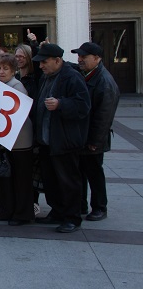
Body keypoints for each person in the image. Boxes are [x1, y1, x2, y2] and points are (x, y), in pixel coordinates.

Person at [32, 43, 91, 233]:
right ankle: (57, 211)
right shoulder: (46, 77)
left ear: (57, 61)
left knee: (68, 181)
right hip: (46, 140)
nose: (41, 66)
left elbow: (83, 106)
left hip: (64, 141)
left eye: (44, 62)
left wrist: (61, 104)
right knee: (51, 180)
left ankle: (72, 217)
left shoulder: (71, 77)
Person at [72, 42, 119, 222]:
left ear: (97, 58)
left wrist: (94, 141)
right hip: (82, 135)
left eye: (84, 56)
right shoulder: (86, 74)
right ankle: (81, 204)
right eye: (79, 56)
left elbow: (104, 117)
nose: (80, 59)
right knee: (81, 172)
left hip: (93, 139)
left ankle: (100, 207)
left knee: (94, 173)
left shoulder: (104, 82)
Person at [0, 55, 35, 225]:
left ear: (14, 71)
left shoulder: (17, 87)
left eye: (5, 69)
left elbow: (17, 116)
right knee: (6, 178)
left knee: (21, 179)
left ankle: (22, 214)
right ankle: (7, 210)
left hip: (19, 141)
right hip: (3, 141)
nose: (1, 72)